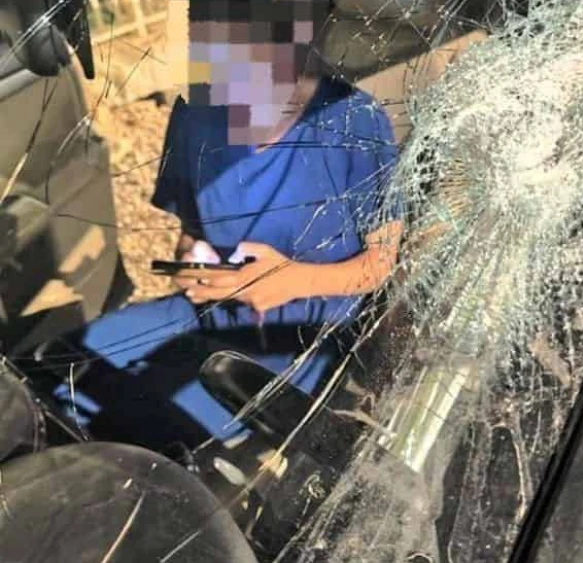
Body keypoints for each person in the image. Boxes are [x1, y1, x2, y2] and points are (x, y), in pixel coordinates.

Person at [45, 0, 403, 452]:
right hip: (205, 311)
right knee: (57, 366)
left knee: (139, 429)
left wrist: (291, 280)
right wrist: (191, 262)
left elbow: (381, 263)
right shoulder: (195, 114)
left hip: (301, 337)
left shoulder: (357, 120)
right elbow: (191, 234)